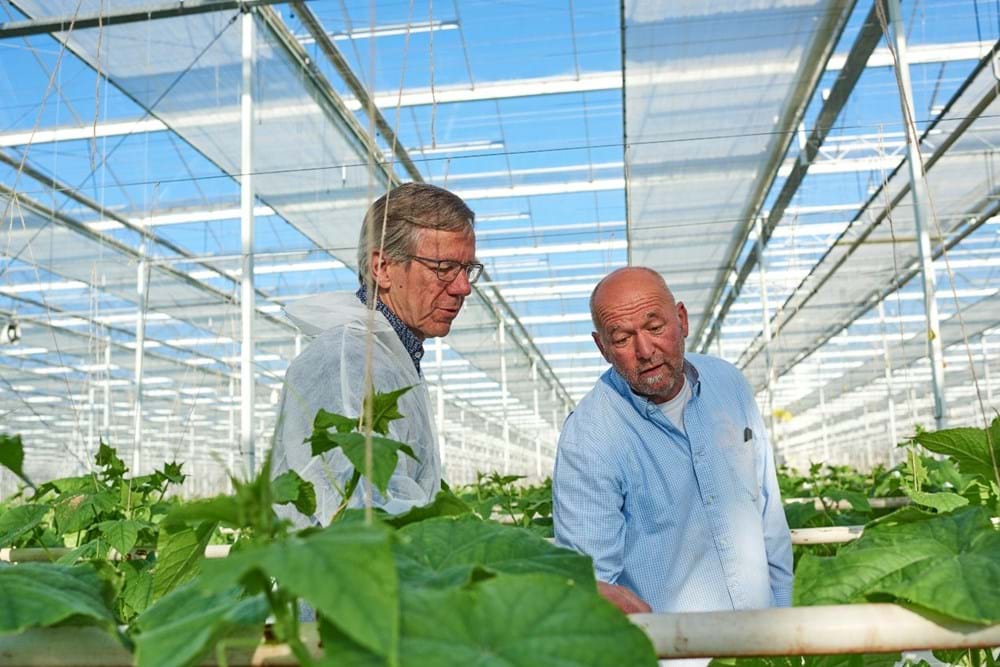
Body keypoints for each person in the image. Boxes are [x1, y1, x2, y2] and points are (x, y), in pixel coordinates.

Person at [552, 266, 793, 615]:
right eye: (621, 338)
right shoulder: (589, 437)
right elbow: (593, 587)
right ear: (602, 347)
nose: (645, 349)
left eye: (655, 327)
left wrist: (788, 625)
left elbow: (769, 515)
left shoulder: (729, 384)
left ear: (681, 319)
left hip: (765, 640)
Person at [271, 182, 481, 524]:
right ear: (382, 269)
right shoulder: (347, 360)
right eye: (444, 268)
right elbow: (364, 508)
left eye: (468, 269)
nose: (463, 287)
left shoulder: (391, 355)